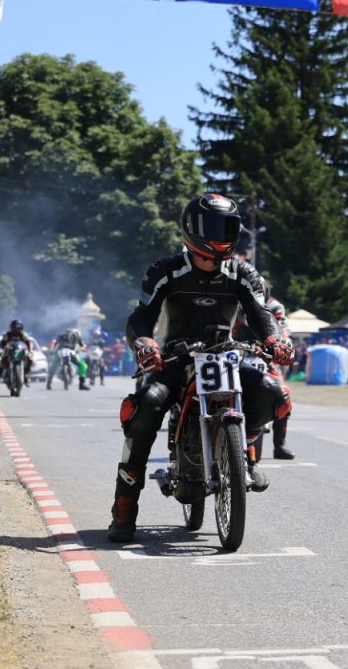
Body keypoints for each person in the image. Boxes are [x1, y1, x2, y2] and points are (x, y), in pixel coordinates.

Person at [107, 194, 293, 543]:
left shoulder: (243, 272)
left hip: (226, 356)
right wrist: (144, 342)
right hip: (174, 360)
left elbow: (261, 314)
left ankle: (244, 454)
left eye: (227, 227)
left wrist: (275, 340)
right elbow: (141, 316)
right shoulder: (164, 270)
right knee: (144, 407)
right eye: (213, 227)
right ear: (192, 229)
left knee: (274, 394)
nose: (221, 236)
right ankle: (124, 507)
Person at [0, 318, 37, 397]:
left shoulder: (23, 335)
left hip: (21, 353)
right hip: (9, 353)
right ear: (11, 327)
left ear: (21, 328)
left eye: (18, 327)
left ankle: (27, 375)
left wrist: (30, 351)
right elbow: (2, 344)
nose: (16, 329)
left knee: (31, 360)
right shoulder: (7, 335)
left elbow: (29, 343)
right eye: (15, 327)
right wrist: (1, 350)